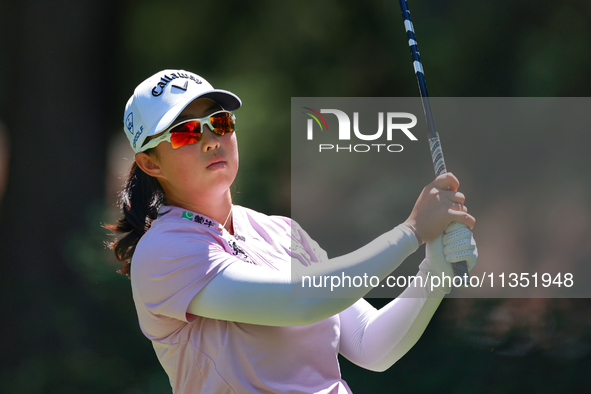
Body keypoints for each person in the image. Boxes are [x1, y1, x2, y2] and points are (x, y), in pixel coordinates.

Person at [106, 69, 478, 394]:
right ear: (150, 162)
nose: (211, 139)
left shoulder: (281, 231)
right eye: (186, 133)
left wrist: (436, 272)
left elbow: (370, 344)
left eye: (219, 123)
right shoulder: (164, 250)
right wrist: (411, 232)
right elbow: (299, 301)